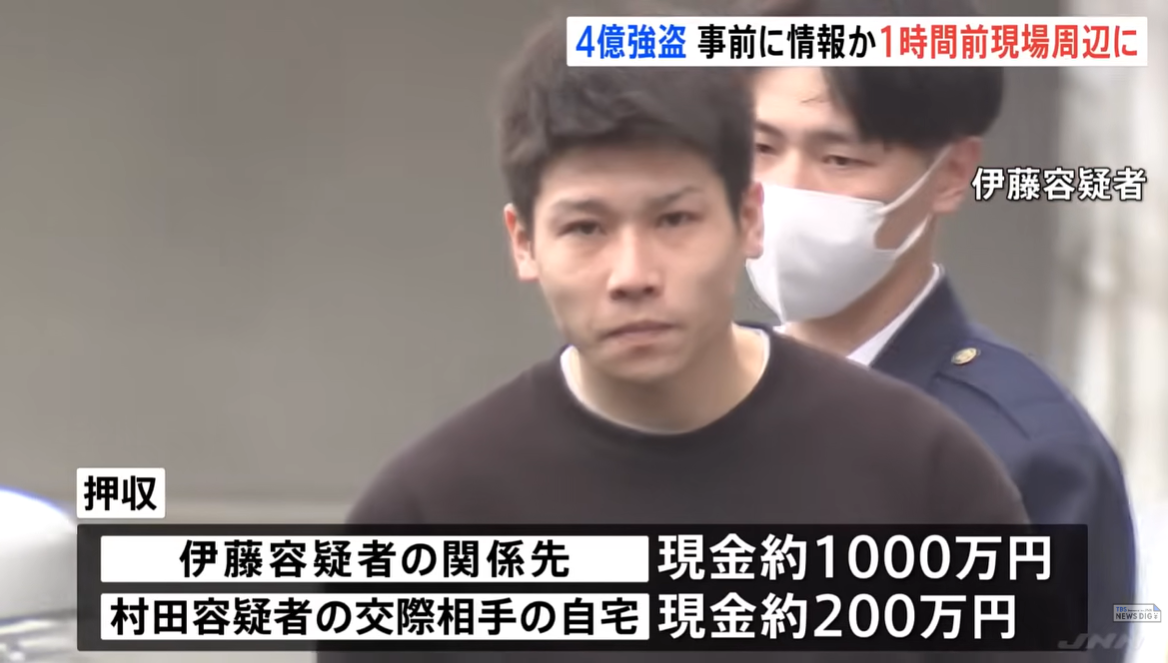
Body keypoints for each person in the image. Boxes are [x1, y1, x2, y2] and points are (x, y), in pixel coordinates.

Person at [321, 14, 1048, 663]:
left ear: (749, 217)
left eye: (674, 220)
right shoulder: (425, 519)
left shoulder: (926, 475)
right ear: (524, 242)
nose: (634, 275)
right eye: (586, 228)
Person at [734, 0, 1137, 659]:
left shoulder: (1031, 456)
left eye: (840, 158)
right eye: (760, 148)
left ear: (950, 173)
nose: (785, 191)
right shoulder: (682, 397)